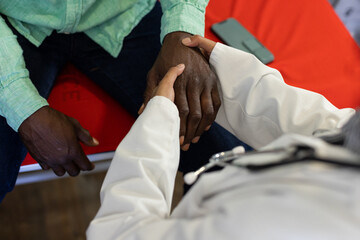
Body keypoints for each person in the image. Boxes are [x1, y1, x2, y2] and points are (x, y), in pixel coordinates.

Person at [86, 35, 359, 239]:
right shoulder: (349, 146)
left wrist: (158, 119)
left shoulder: (271, 224)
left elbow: (120, 232)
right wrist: (225, 68)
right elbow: (323, 124)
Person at [0, 0, 245, 202]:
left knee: (230, 162)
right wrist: (23, 107)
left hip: (126, 13)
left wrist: (182, 29)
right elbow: (20, 106)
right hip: (15, 24)